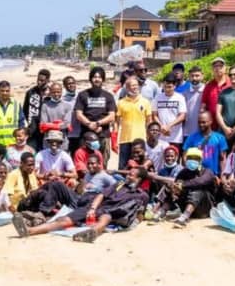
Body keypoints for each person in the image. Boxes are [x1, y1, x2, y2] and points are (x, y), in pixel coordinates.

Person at [12, 167, 150, 243]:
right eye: (129, 174)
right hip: (96, 206)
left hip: (112, 213)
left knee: (105, 218)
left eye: (132, 175)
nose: (128, 176)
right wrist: (92, 209)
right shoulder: (119, 184)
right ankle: (29, 231)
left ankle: (91, 233)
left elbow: (139, 215)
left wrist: (130, 225)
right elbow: (101, 195)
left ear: (139, 179)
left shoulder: (142, 195)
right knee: (64, 220)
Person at [151, 147, 216, 227]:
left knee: (197, 190)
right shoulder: (184, 172)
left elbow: (200, 181)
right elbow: (177, 183)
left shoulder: (207, 172)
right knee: (170, 186)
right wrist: (175, 188)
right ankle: (161, 213)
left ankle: (184, 218)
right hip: (186, 205)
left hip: (204, 209)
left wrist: (182, 185)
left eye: (195, 158)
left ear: (200, 161)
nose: (193, 160)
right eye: (190, 158)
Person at [74, 66, 117, 166]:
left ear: (103, 79)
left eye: (99, 77)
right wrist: (89, 124)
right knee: (84, 164)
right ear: (90, 79)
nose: (97, 79)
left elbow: (112, 116)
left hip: (103, 135)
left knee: (102, 163)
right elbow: (79, 114)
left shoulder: (108, 96)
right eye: (94, 77)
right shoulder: (82, 95)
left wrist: (98, 123)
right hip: (86, 135)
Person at [115, 77, 152, 170]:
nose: (135, 87)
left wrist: (149, 137)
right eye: (132, 85)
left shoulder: (145, 102)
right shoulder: (120, 103)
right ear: (127, 88)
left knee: (139, 166)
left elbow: (149, 121)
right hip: (125, 139)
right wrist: (114, 139)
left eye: (136, 85)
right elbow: (116, 122)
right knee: (123, 167)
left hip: (141, 140)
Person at [182, 111, 228, 176]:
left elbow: (222, 159)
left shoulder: (220, 138)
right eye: (199, 122)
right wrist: (189, 169)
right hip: (195, 174)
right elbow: (184, 156)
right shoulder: (191, 137)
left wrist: (222, 175)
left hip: (213, 175)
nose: (201, 125)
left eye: (203, 122)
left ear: (211, 121)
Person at [152, 73, 187, 149]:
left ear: (175, 86)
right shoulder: (157, 98)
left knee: (173, 158)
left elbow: (182, 116)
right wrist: (162, 126)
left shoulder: (180, 98)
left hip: (175, 137)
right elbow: (154, 115)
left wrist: (169, 126)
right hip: (161, 136)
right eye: (165, 87)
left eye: (169, 87)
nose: (167, 89)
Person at [22, 69, 51, 150]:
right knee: (31, 152)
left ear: (48, 80)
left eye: (42, 80)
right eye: (38, 80)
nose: (39, 82)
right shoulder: (30, 92)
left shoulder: (51, 93)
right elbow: (24, 110)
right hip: (32, 130)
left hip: (46, 130)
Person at [39, 81, 73, 149]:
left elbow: (67, 124)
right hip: (48, 143)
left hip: (62, 143)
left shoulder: (68, 106)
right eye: (54, 92)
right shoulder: (45, 106)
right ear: (50, 92)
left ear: (61, 92)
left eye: (58, 92)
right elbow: (43, 125)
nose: (56, 94)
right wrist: (59, 124)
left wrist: (50, 125)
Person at [0, 80, 23, 147]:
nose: (5, 93)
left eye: (7, 91)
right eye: (2, 91)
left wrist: (20, 140)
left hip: (13, 143)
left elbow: (21, 123)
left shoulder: (16, 105)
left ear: (9, 91)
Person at [181, 66, 205, 138]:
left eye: (197, 76)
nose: (194, 78)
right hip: (187, 133)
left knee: (207, 149)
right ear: (189, 77)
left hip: (204, 133)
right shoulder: (184, 94)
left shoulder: (207, 91)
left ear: (202, 76)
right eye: (192, 76)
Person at [62, 75, 81, 152]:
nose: (71, 85)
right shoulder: (62, 99)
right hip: (66, 134)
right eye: (68, 84)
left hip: (79, 133)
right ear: (65, 86)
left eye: (73, 83)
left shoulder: (81, 97)